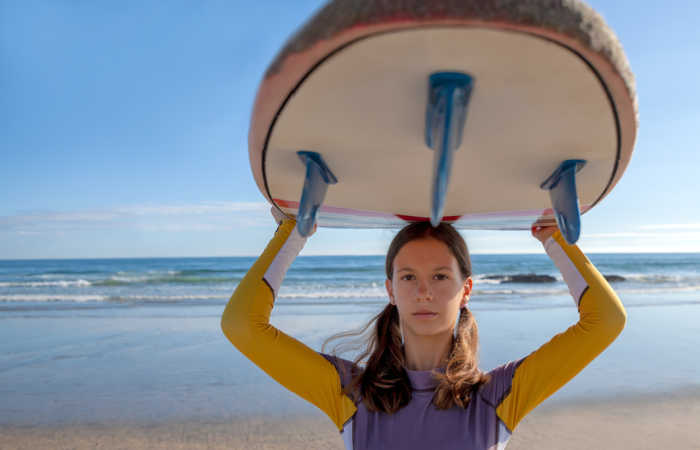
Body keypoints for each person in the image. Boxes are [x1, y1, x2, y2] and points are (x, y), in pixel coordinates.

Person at [221, 213, 626, 450]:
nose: (424, 291)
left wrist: (554, 239)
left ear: (466, 289)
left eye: (440, 276)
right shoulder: (351, 394)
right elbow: (242, 326)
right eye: (409, 276)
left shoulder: (496, 397)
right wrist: (292, 231)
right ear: (391, 291)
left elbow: (605, 320)